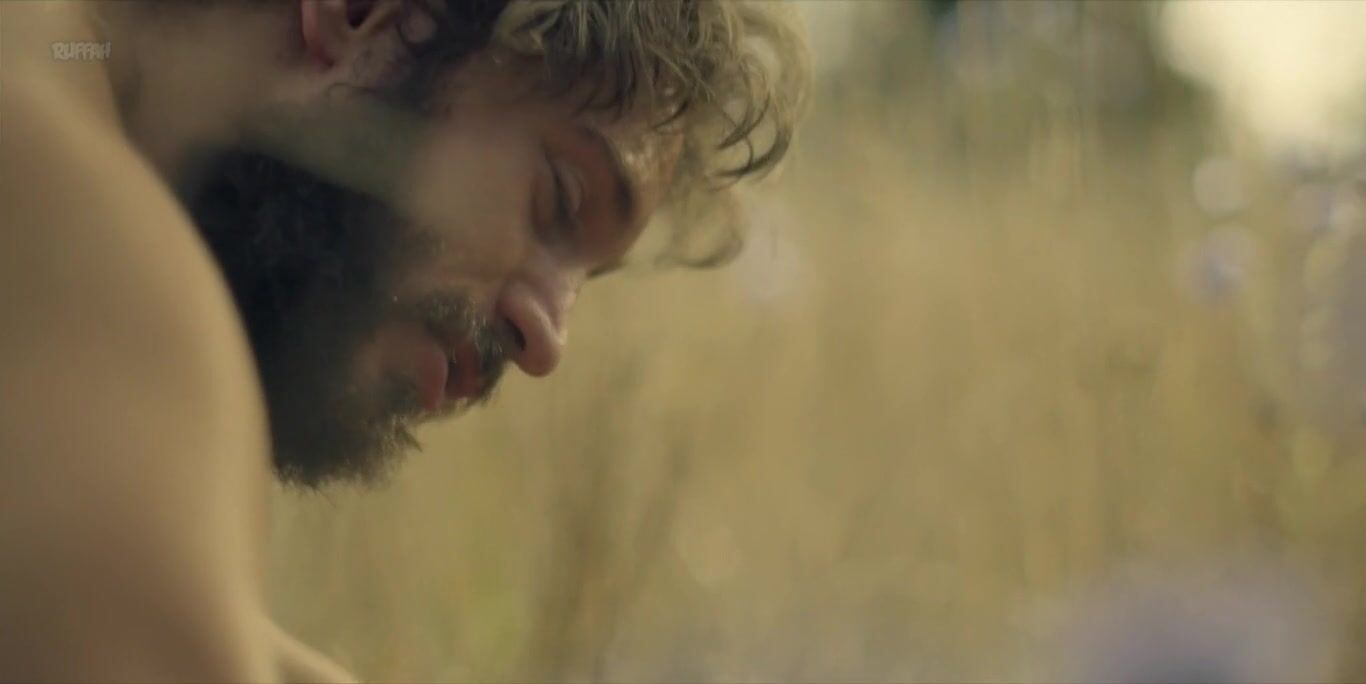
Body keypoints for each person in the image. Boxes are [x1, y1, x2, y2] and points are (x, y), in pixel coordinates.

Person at [0, 0, 808, 680]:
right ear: (361, 16)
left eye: (583, 280)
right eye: (558, 198)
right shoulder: (104, 275)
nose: (548, 340)